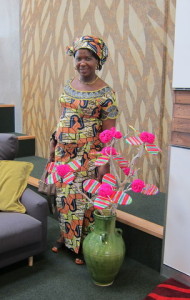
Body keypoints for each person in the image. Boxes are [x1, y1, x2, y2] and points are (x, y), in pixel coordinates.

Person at [49, 35, 119, 264]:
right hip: (63, 154)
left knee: (82, 199)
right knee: (64, 196)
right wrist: (54, 139)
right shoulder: (69, 85)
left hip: (87, 155)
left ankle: (81, 246)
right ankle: (65, 236)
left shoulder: (106, 94)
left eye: (88, 58)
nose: (82, 63)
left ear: (98, 60)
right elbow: (64, 116)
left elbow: (108, 135)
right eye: (79, 58)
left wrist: (104, 164)